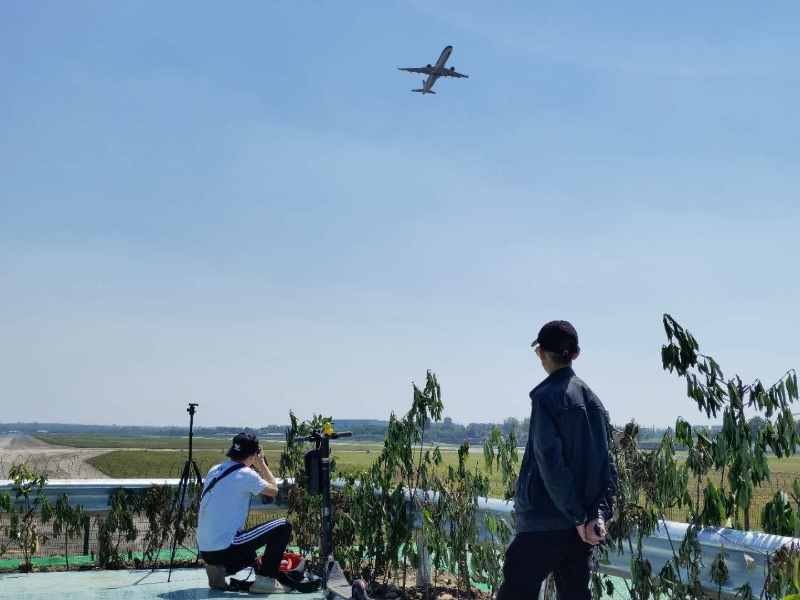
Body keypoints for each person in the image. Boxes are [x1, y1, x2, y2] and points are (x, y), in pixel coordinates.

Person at [497, 320, 617, 600]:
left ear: (540, 352)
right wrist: (596, 515)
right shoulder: (593, 401)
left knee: (515, 591)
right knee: (574, 594)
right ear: (576, 354)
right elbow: (608, 467)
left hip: (545, 521)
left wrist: (577, 516)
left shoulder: (544, 398)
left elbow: (550, 465)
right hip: (582, 529)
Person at [198, 432, 293, 593]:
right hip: (226, 546)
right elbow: (274, 490)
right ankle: (265, 581)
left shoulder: (214, 470)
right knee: (284, 525)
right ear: (253, 454)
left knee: (250, 556)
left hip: (206, 550)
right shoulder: (246, 474)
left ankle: (221, 571)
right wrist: (262, 462)